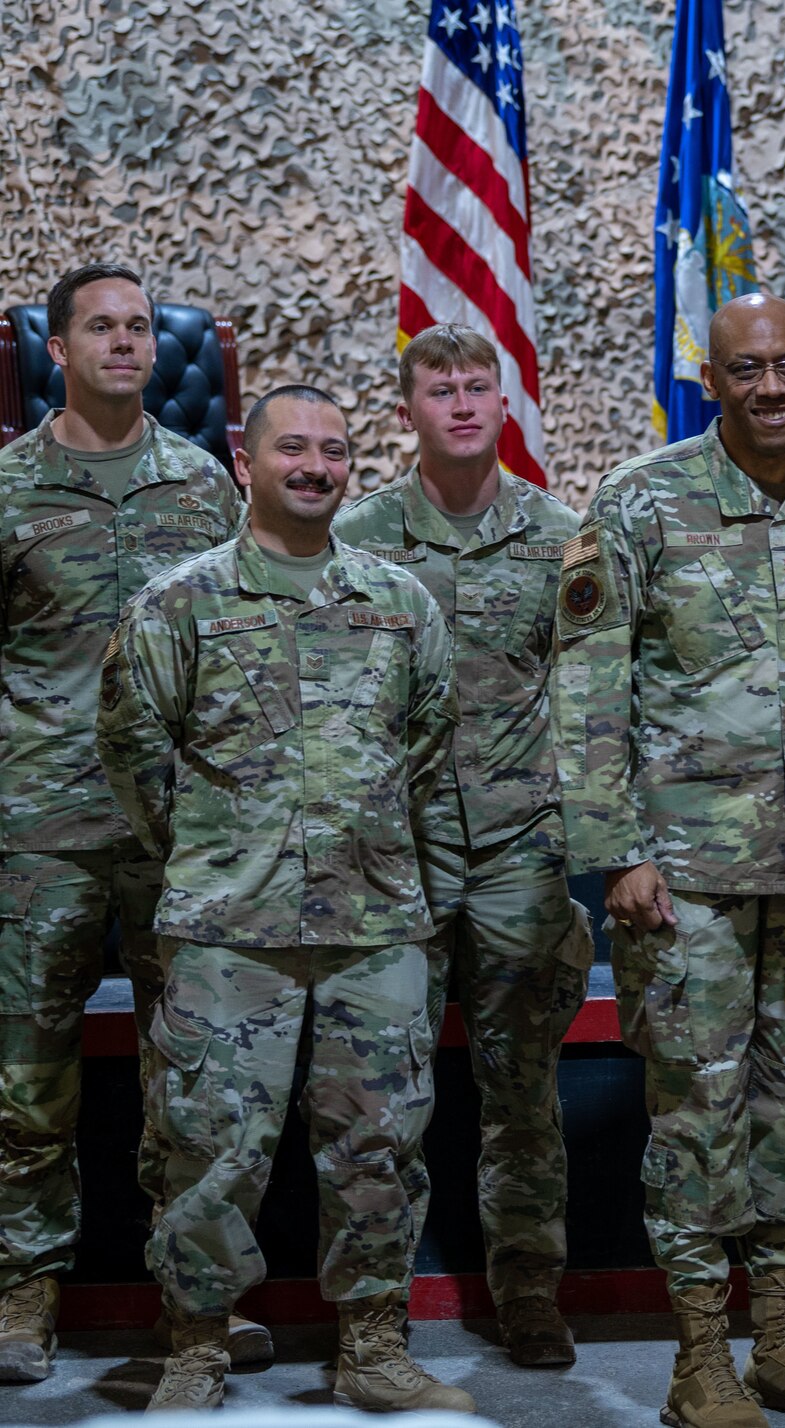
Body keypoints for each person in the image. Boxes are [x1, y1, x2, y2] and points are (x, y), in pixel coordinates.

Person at [554, 294, 785, 1428]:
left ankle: (779, 1343)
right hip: (683, 876)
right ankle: (698, 1355)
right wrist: (614, 854)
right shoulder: (639, 500)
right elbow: (589, 684)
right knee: (696, 1111)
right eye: (747, 369)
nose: (771, 388)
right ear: (712, 379)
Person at [97, 386, 469, 1414]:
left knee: (379, 1144)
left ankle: (376, 1349)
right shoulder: (181, 601)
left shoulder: (401, 603)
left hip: (375, 918)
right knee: (210, 1144)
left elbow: (424, 744)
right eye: (293, 448)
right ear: (245, 461)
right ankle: (198, 1348)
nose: (315, 466)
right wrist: (213, 853)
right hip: (229, 924)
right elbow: (132, 748)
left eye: (336, 450)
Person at [0, 262, 251, 1383]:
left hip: (173, 835)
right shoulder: (8, 490)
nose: (124, 343)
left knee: (189, 1076)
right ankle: (21, 1298)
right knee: (24, 1078)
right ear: (56, 348)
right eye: (99, 326)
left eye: (141, 327)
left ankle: (191, 1301)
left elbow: (233, 659)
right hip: (38, 829)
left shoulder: (203, 486)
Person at [332, 324, 590, 1368]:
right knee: (379, 1094)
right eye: (441, 389)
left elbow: (592, 689)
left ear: (505, 399)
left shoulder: (560, 537)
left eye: (479, 386)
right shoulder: (358, 539)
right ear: (408, 410)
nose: (464, 404)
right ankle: (372, 1315)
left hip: (520, 851)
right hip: (397, 850)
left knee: (522, 1092)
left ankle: (527, 1291)